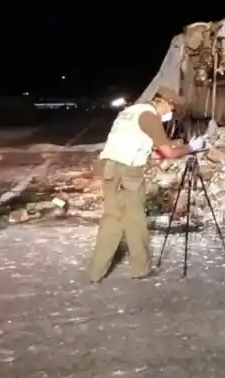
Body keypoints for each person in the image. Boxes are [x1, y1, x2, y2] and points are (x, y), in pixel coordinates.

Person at [88, 87, 205, 283]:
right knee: (135, 223)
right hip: (128, 175)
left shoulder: (130, 112)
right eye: (171, 108)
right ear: (162, 102)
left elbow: (146, 148)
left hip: (109, 171)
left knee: (111, 219)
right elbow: (167, 153)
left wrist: (173, 149)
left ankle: (96, 272)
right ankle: (141, 269)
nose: (171, 113)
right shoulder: (150, 117)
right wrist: (191, 147)